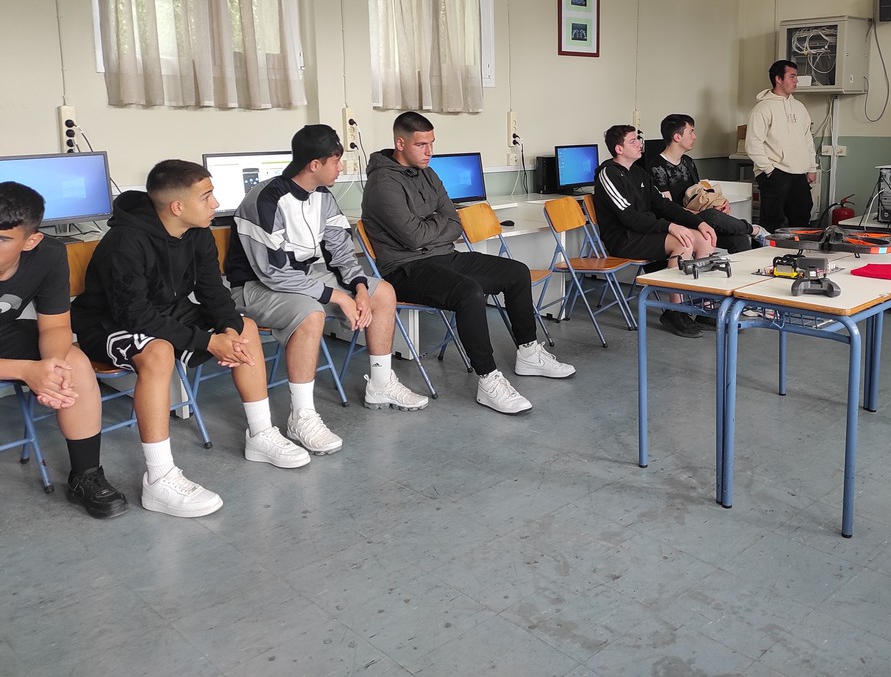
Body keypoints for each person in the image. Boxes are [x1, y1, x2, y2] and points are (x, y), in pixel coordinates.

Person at [72, 161, 308, 519]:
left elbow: (213, 291)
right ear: (177, 206)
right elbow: (134, 315)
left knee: (244, 327)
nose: (216, 204)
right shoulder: (125, 241)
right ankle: (159, 477)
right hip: (107, 323)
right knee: (158, 352)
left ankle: (260, 434)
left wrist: (227, 331)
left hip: (167, 312)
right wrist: (207, 343)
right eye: (207, 196)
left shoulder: (197, 231)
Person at [361, 112, 574, 416]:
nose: (429, 151)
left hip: (444, 256)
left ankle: (529, 354)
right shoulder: (382, 183)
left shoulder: (428, 173)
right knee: (468, 292)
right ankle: (488, 380)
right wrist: (436, 226)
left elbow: (454, 220)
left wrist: (431, 228)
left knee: (516, 272)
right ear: (400, 143)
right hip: (405, 269)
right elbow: (413, 237)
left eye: (432, 143)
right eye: (421, 145)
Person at [226, 125, 425, 445]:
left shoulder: (322, 196)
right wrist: (338, 298)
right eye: (335, 161)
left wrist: (359, 288)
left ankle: (380, 383)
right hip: (254, 286)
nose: (341, 167)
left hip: (302, 278)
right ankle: (302, 417)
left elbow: (341, 252)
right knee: (310, 312)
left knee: (382, 292)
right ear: (314, 165)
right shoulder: (266, 199)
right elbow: (273, 272)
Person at [0, 183, 128, 518]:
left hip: (6, 333)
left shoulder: (49, 254)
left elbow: (55, 326)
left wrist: (52, 367)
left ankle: (85, 475)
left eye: (2, 239)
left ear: (31, 241)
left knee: (73, 362)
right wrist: (25, 371)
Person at [594, 124, 717, 339]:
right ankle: (675, 311)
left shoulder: (639, 173)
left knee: (704, 240)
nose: (639, 144)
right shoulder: (608, 174)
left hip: (645, 233)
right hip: (624, 239)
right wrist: (670, 226)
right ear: (619, 149)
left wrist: (698, 223)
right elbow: (629, 217)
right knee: (684, 242)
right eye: (633, 141)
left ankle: (703, 306)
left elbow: (664, 206)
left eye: (638, 139)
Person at [648, 113, 767, 253]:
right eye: (691, 132)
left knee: (739, 238)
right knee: (712, 216)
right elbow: (669, 209)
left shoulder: (688, 161)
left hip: (697, 218)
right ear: (677, 137)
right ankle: (754, 229)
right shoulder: (657, 168)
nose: (694, 137)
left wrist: (718, 204)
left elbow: (699, 193)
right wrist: (704, 213)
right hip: (677, 222)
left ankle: (744, 265)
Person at [746, 60, 818, 230]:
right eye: (792, 76)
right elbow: (753, 144)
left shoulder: (799, 107)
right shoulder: (762, 108)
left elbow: (807, 139)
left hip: (799, 173)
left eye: (796, 77)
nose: (796, 81)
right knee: (772, 222)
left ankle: (799, 248)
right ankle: (767, 249)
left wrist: (811, 167)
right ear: (778, 79)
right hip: (775, 172)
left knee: (802, 220)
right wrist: (769, 170)